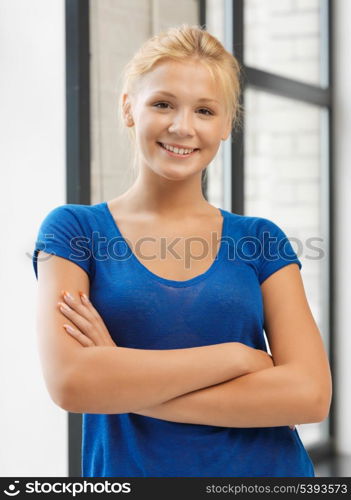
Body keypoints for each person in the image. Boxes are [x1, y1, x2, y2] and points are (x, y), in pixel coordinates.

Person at [32, 24, 332, 477]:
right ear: (129, 107)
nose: (182, 126)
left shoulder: (260, 239)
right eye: (163, 103)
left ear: (226, 124)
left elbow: (310, 395)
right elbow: (73, 384)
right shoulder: (75, 231)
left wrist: (121, 378)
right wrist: (236, 357)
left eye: (205, 110)